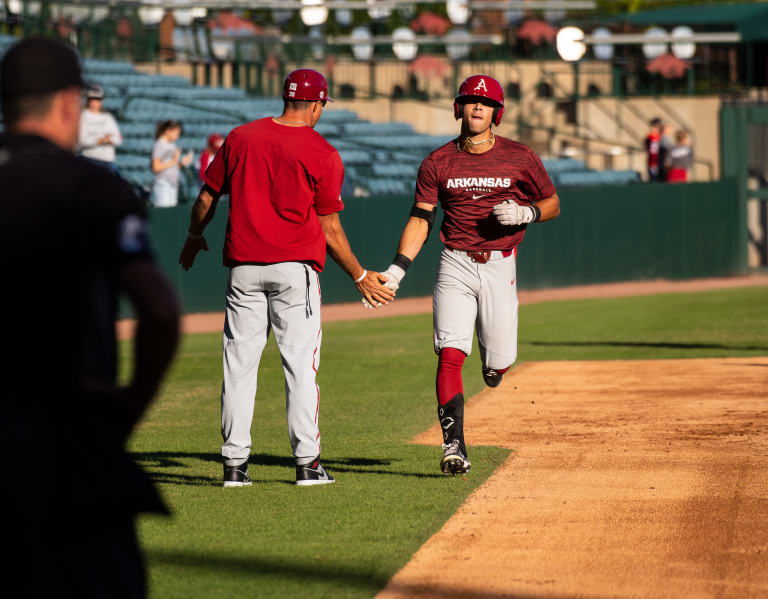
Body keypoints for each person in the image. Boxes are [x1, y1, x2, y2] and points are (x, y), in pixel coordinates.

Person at [0, 38, 180, 598]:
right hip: (68, 438)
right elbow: (158, 310)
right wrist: (128, 406)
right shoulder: (92, 187)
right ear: (66, 103)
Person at [178, 68, 395, 487]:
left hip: (243, 268)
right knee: (299, 367)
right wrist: (360, 275)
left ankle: (235, 467)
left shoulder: (241, 137)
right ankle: (308, 464)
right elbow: (329, 228)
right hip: (295, 270)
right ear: (317, 105)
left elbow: (207, 195)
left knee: (238, 367)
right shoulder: (323, 152)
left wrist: (192, 236)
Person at [367, 74, 560, 475]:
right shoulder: (437, 161)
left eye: (485, 103)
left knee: (498, 362)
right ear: (459, 107)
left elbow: (553, 201)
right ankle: (453, 447)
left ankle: (496, 367)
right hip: (454, 261)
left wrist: (529, 213)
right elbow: (421, 218)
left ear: (497, 112)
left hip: (500, 263)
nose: (477, 107)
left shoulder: (520, 156)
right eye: (471, 100)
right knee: (451, 353)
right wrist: (397, 271)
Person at [78, 84, 122, 171]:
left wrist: (108, 140)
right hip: (89, 160)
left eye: (98, 99)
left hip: (108, 162)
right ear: (88, 100)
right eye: (92, 99)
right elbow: (82, 140)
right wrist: (100, 140)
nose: (95, 102)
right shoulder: (83, 117)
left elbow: (118, 140)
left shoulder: (108, 117)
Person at [151, 119, 193, 207]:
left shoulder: (172, 145)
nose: (177, 137)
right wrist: (174, 161)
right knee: (164, 211)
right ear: (168, 131)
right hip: (163, 183)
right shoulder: (160, 144)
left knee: (171, 210)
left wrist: (181, 163)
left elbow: (173, 165)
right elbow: (156, 167)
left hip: (173, 183)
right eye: (176, 133)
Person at [644, 117, 663, 182]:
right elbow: (648, 149)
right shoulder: (649, 137)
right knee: (653, 178)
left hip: (659, 161)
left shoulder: (661, 137)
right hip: (652, 162)